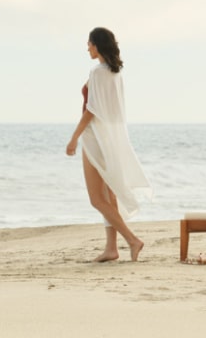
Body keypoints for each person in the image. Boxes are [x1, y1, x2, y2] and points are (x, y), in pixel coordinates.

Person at [65, 28, 151, 262]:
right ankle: (111, 249)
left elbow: (91, 109)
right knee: (109, 195)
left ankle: (132, 240)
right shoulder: (115, 73)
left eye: (89, 44)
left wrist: (74, 137)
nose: (87, 48)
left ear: (97, 45)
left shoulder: (97, 72)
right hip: (110, 138)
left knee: (96, 198)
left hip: (95, 138)